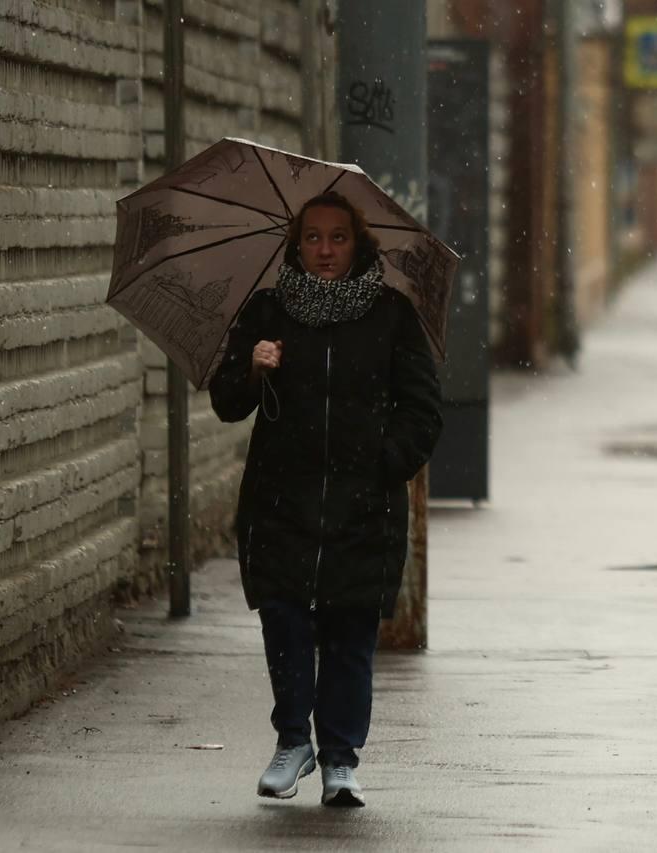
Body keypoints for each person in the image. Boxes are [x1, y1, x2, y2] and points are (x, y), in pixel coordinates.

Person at [210, 191, 442, 807]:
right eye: (313, 238)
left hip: (363, 503)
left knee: (348, 629)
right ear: (297, 245)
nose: (325, 250)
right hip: (281, 498)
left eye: (338, 238)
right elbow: (227, 401)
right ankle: (293, 744)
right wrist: (254, 368)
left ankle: (340, 758)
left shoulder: (392, 314)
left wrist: (383, 464)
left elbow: (423, 408)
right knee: (284, 620)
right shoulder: (268, 311)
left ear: (358, 243)